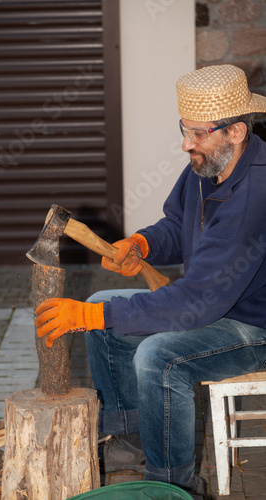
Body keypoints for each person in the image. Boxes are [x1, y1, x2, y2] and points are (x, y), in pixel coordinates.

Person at [35, 64, 266, 499]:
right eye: (185, 129)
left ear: (235, 131)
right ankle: (131, 441)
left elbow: (194, 303)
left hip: (255, 327)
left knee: (159, 356)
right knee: (108, 309)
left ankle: (172, 483)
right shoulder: (207, 165)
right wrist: (143, 244)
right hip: (214, 302)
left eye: (198, 133)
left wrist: (91, 315)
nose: (186, 144)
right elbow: (178, 225)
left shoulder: (255, 194)